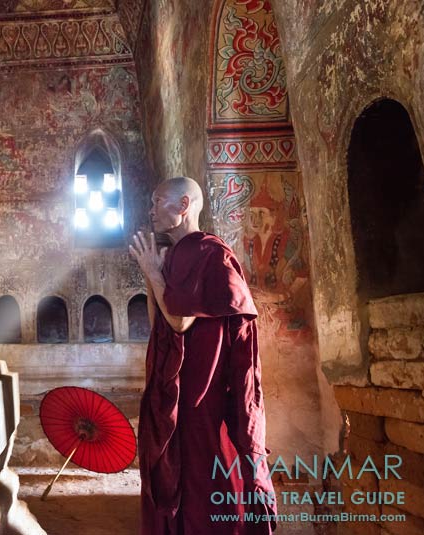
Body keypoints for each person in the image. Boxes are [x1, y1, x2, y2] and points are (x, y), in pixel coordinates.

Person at [129, 176, 276, 534]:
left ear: (183, 206)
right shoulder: (177, 255)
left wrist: (153, 271)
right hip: (174, 395)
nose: (150, 209)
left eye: (157, 200)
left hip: (203, 399)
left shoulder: (210, 254)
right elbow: (160, 324)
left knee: (204, 494)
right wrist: (153, 277)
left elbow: (180, 322)